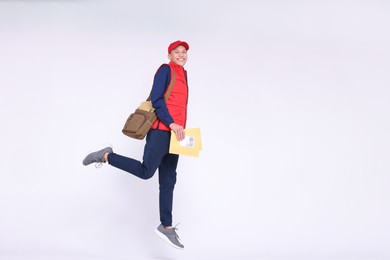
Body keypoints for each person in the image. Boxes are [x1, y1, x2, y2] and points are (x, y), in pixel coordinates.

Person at [82, 40, 190, 250]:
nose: (181, 54)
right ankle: (106, 156)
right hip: (160, 130)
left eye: (184, 52)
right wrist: (172, 123)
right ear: (169, 55)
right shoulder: (165, 70)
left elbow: (179, 104)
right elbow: (157, 100)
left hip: (177, 135)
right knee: (146, 171)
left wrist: (181, 129)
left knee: (168, 181)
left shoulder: (185, 74)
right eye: (176, 52)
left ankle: (166, 226)